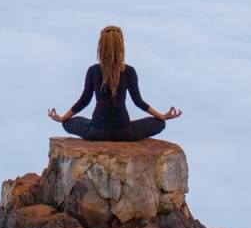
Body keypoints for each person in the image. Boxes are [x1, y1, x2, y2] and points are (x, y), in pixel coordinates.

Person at [47, 25, 181, 141]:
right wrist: (162, 116)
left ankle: (79, 123)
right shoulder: (129, 71)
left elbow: (84, 101)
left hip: (96, 131)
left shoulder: (93, 70)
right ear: (121, 45)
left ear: (101, 46)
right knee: (159, 123)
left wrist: (63, 117)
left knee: (68, 123)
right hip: (124, 131)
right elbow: (138, 102)